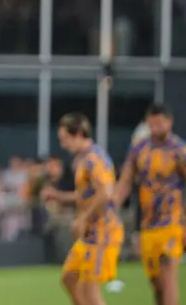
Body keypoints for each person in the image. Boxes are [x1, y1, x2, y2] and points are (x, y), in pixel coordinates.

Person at [112, 104, 186, 305]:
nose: (155, 129)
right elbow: (126, 181)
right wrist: (112, 206)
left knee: (168, 275)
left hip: (173, 222)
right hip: (148, 225)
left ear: (169, 122)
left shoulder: (181, 151)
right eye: (151, 125)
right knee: (156, 284)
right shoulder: (139, 150)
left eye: (159, 124)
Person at [40, 113, 123, 305]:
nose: (63, 145)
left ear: (78, 134)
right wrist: (59, 196)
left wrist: (83, 218)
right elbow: (85, 195)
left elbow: (105, 193)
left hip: (103, 232)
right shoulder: (82, 160)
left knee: (89, 291)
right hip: (89, 234)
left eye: (65, 139)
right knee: (69, 279)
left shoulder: (95, 159)